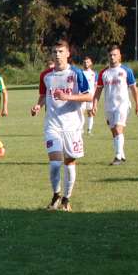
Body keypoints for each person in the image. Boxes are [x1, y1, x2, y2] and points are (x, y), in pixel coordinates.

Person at [31, 40, 92, 212]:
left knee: (69, 162)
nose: (57, 55)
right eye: (54, 52)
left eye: (60, 51)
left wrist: (68, 97)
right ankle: (56, 194)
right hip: (52, 126)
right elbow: (44, 96)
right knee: (55, 164)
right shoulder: (46, 76)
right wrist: (38, 106)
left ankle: (67, 198)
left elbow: (89, 97)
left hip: (72, 126)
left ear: (68, 54)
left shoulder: (77, 73)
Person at [92, 45, 138, 164]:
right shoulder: (103, 73)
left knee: (119, 128)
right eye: (110, 55)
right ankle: (122, 154)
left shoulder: (126, 70)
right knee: (114, 130)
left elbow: (134, 89)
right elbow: (98, 90)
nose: (112, 57)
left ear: (120, 56)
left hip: (123, 105)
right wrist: (94, 105)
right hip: (109, 106)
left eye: (115, 55)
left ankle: (118, 156)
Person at [82, 56, 97, 135]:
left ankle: (89, 130)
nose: (86, 63)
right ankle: (80, 129)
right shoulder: (80, 73)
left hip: (91, 96)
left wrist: (95, 97)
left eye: (87, 62)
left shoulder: (94, 74)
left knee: (90, 113)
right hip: (82, 96)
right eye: (84, 62)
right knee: (81, 112)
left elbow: (95, 86)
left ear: (91, 63)